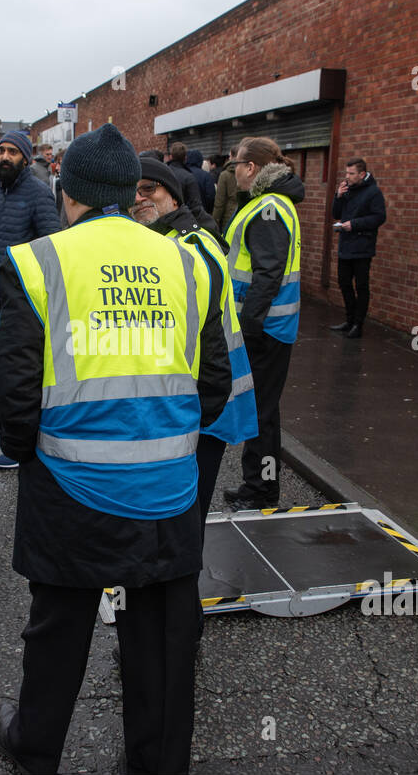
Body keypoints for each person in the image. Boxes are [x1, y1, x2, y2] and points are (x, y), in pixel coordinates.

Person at [0, 123, 231, 774]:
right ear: (131, 191)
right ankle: (154, 759)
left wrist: (27, 451)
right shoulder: (189, 262)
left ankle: (35, 745)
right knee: (158, 637)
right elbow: (214, 385)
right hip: (169, 488)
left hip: (69, 485)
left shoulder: (39, 262)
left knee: (58, 629)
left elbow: (14, 394)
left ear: (68, 191)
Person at [129, 156, 256, 526]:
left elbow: (202, 336)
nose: (139, 198)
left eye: (148, 189)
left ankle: (181, 582)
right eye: (132, 192)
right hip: (186, 400)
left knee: (186, 516)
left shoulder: (191, 245)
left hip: (203, 403)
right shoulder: (157, 239)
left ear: (173, 195)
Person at [220, 136, 304, 511]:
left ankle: (261, 490)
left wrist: (248, 324)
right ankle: (259, 486)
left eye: (235, 165)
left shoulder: (267, 208)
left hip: (264, 330)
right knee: (263, 411)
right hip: (270, 327)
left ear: (251, 167)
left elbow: (268, 273)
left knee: (261, 413)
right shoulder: (271, 204)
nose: (233, 172)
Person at [0, 129, 61, 470]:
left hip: (25, 299)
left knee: (15, 375)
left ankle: (17, 447)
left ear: (25, 157)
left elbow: (52, 245)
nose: (5, 157)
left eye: (12, 152)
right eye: (2, 151)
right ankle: (15, 439)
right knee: (7, 373)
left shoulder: (38, 194)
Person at [328, 158, 386, 339]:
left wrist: (354, 224)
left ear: (362, 174)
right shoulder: (347, 190)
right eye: (346, 173)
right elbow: (335, 214)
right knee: (343, 283)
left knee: (361, 286)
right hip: (346, 244)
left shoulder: (373, 192)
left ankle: (358, 324)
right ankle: (349, 319)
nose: (347, 177)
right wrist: (338, 196)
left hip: (363, 246)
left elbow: (379, 217)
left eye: (351, 173)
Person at [165, 142, 206, 219]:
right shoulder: (189, 177)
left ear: (171, 156)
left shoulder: (163, 172)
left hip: (164, 218)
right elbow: (196, 206)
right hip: (183, 219)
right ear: (185, 157)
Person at [213, 151, 241, 230]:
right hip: (245, 214)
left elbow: (219, 202)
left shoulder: (225, 175)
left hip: (229, 216)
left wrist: (215, 221)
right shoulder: (249, 172)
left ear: (231, 157)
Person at [186, 149, 216, 213]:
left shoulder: (183, 174)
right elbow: (210, 196)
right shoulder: (206, 176)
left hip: (185, 215)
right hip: (202, 214)